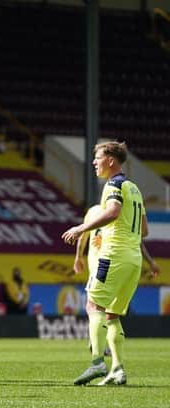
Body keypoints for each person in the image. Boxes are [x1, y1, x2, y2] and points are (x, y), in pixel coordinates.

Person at [62, 141, 149, 386]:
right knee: (112, 315)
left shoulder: (113, 184)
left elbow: (112, 212)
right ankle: (118, 369)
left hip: (114, 256)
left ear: (111, 160)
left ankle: (97, 362)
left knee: (93, 305)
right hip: (133, 260)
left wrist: (81, 228)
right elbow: (144, 229)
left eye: (98, 157)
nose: (94, 162)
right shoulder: (134, 188)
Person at [74, 204, 160, 355]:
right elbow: (137, 239)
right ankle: (101, 343)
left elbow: (83, 236)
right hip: (111, 263)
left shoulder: (94, 211)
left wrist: (78, 257)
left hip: (101, 264)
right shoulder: (120, 212)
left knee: (94, 305)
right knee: (106, 309)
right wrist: (150, 262)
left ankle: (97, 341)